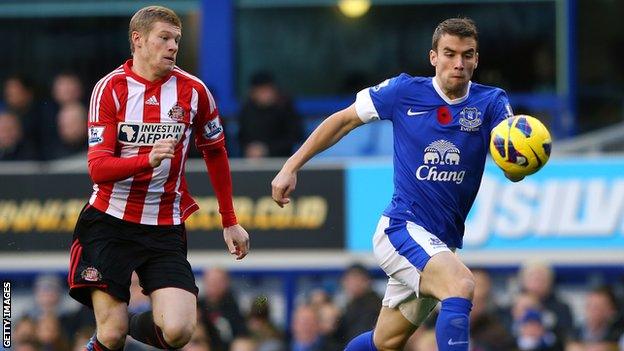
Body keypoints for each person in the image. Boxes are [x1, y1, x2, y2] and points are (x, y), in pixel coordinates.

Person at [272, 17, 520, 351]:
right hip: (401, 229)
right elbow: (343, 121)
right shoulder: (403, 91)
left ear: (477, 59)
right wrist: (291, 165)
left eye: (467, 54)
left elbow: (512, 159)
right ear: (433, 57)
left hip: (442, 243)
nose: (458, 63)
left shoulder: (491, 102)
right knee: (461, 283)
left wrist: (519, 164)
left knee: (385, 341)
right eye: (449, 53)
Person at [67, 6, 250, 351]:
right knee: (110, 334)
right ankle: (115, 332)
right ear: (138, 40)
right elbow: (98, 168)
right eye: (164, 38)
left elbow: (215, 151)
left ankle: (134, 323)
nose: (173, 46)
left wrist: (230, 220)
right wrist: (145, 159)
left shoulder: (194, 91)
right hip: (110, 221)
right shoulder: (109, 89)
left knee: (179, 331)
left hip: (164, 225)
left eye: (177, 40)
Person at [237, 72, 304, 158]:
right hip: (252, 161)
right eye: (261, 91)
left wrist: (267, 149)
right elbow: (242, 137)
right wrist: (250, 149)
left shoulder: (285, 108)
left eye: (267, 90)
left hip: (283, 160)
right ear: (253, 93)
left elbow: (295, 137)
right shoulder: (247, 110)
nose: (265, 95)